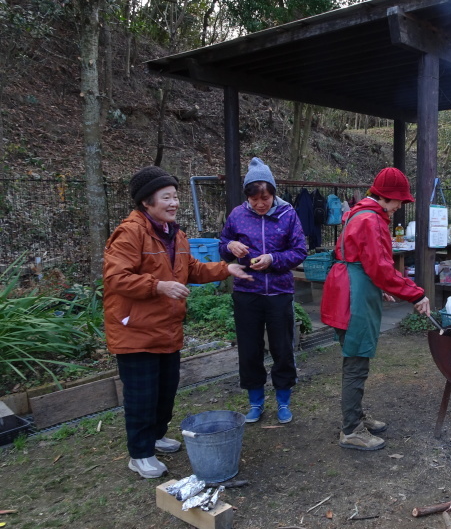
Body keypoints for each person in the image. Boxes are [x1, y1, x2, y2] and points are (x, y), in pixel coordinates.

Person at [104, 166, 252, 479]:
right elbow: (116, 277)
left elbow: (193, 270)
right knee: (142, 394)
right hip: (136, 331)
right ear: (147, 202)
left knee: (165, 390)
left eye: (175, 196)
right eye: (166, 197)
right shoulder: (131, 232)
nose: (174, 203)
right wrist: (158, 286)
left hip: (166, 329)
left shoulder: (176, 234)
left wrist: (227, 269)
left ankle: (156, 436)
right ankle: (140, 453)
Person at [321, 167, 430, 451]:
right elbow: (381, 268)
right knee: (356, 360)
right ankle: (351, 429)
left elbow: (358, 258)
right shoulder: (371, 220)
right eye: (399, 201)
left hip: (347, 287)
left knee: (356, 359)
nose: (399, 207)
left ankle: (355, 415)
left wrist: (380, 287)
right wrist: (415, 294)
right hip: (353, 296)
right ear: (388, 197)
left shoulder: (358, 213)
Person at [219, 158, 307, 424]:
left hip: (279, 292)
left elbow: (300, 251)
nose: (260, 204)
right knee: (249, 350)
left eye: (265, 198)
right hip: (247, 292)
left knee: (282, 348)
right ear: (247, 197)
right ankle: (255, 402)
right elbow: (222, 244)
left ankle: (283, 401)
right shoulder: (237, 215)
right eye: (255, 199)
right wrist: (231, 245)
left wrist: (273, 260)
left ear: (273, 193)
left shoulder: (288, 214)